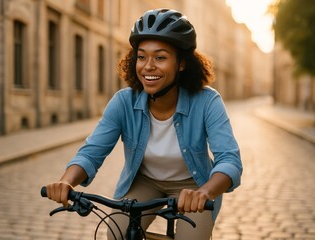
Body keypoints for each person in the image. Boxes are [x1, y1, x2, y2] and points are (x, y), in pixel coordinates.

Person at [45, 8, 242, 240]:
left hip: (193, 185)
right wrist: (65, 182)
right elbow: (91, 153)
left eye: (160, 57)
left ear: (181, 63)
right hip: (145, 181)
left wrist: (204, 193)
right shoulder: (123, 102)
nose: (148, 66)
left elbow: (230, 160)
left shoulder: (207, 101)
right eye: (141, 56)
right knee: (118, 233)